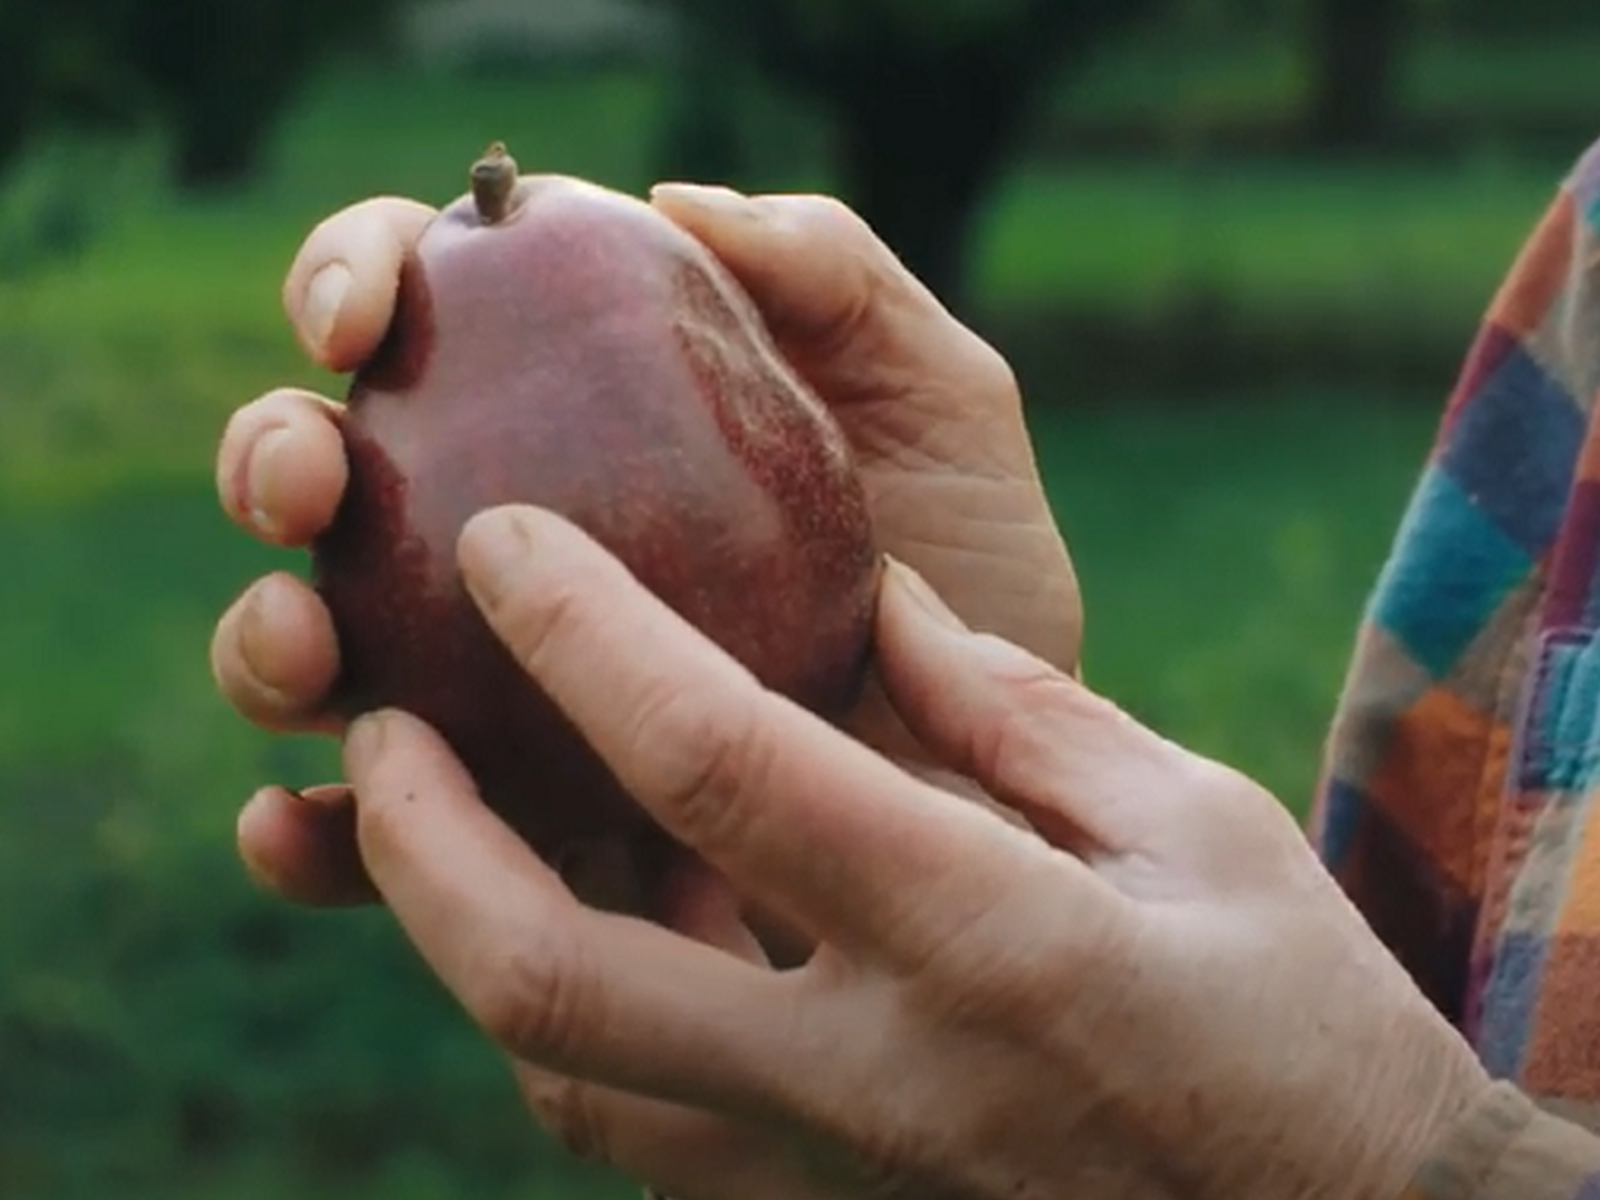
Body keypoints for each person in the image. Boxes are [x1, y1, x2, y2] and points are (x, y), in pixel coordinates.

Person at [208, 136, 1600, 1198]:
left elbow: (1367, 1097)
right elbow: (1403, 1016)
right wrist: (965, 872)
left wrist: (1369, 1166)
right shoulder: (1582, 278)